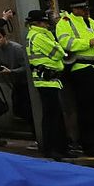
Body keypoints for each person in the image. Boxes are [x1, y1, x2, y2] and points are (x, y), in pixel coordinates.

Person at [56, 0, 94, 156]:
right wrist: (88, 42)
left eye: (86, 8)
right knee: (86, 109)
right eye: (82, 8)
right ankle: (90, 145)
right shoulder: (66, 22)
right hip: (81, 68)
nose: (86, 11)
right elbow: (65, 43)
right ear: (74, 9)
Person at [23, 10, 68, 159]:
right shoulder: (38, 36)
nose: (47, 24)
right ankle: (52, 148)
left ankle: (61, 148)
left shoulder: (39, 35)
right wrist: (58, 48)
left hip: (51, 80)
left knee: (56, 115)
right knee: (51, 116)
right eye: (45, 22)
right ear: (38, 23)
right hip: (46, 80)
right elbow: (58, 53)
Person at [0, 28, 30, 123]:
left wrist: (11, 71)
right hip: (15, 83)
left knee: (26, 108)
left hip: (25, 83)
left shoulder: (17, 48)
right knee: (18, 108)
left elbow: (26, 67)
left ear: (5, 37)